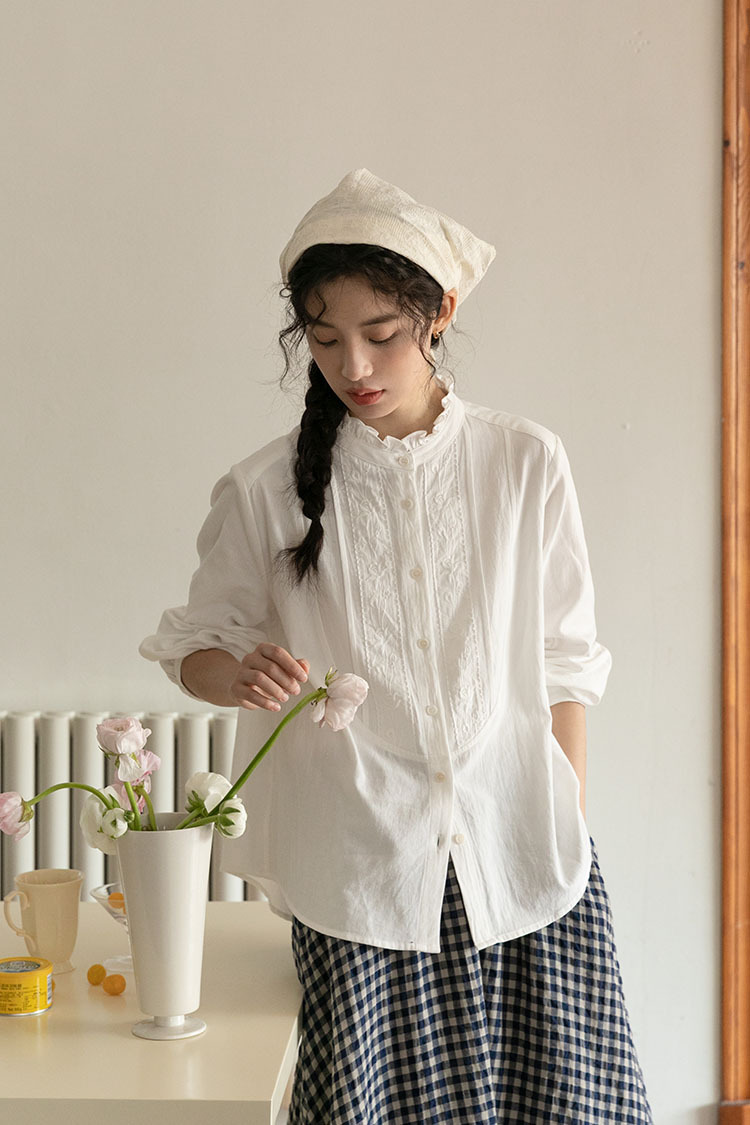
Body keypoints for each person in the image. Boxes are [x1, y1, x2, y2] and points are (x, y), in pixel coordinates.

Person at [140, 168, 652, 1123]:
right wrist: (237, 672)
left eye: (381, 333)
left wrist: (564, 821)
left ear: (440, 312)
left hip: (524, 865)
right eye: (325, 338)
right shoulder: (264, 490)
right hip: (363, 880)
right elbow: (195, 647)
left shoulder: (524, 461)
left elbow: (566, 663)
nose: (355, 365)